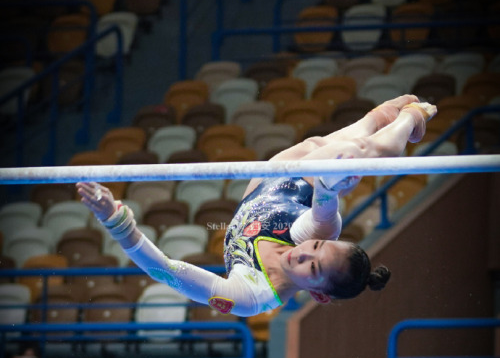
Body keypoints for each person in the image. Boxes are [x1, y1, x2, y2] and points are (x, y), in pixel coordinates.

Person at [77, 95, 436, 317]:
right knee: (334, 152)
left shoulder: (250, 296)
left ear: (317, 295)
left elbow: (165, 270)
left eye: (313, 269)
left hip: (268, 189)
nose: (302, 255)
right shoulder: (319, 231)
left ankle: (410, 118)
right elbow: (325, 203)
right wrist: (330, 184)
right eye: (316, 248)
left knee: (353, 152)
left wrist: (115, 220)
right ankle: (378, 119)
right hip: (282, 184)